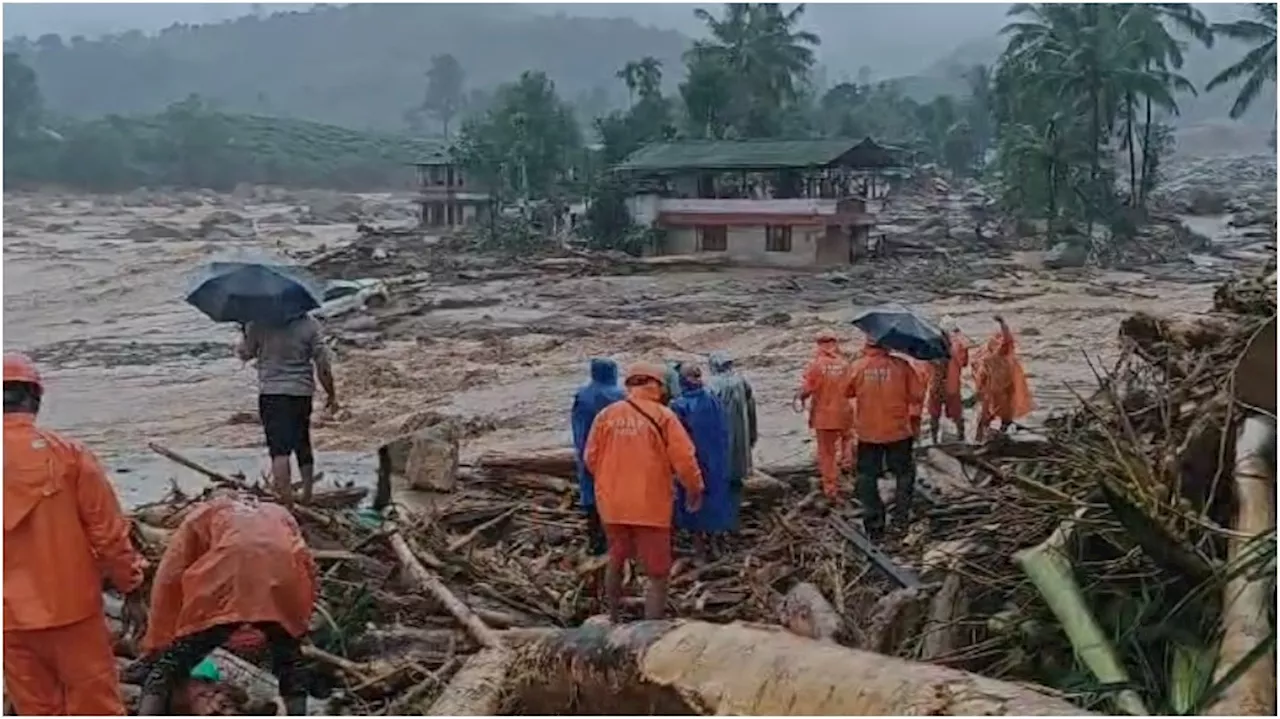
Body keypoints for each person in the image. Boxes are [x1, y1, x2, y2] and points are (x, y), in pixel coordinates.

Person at [3, 352, 148, 716]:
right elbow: (109, 534)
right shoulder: (70, 455)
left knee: (36, 709)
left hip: (9, 620)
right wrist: (131, 587)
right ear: (35, 399)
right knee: (96, 706)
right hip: (73, 611)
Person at [136, 491, 317, 716]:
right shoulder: (279, 514)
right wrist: (297, 624)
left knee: (165, 671)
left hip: (225, 586)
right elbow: (306, 566)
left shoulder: (201, 515)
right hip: (280, 584)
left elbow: (169, 579)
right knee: (291, 666)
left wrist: (156, 645)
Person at [585, 362, 704, 622]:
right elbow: (684, 459)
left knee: (616, 558)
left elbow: (590, 458)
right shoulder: (664, 416)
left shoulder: (606, 415)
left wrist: (610, 482)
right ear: (658, 386)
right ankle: (651, 632)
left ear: (629, 385)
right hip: (650, 504)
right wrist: (694, 489)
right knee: (658, 572)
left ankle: (613, 618)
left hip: (612, 504)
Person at [236, 313, 337, 508]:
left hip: (272, 393)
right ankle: (308, 494)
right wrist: (331, 393)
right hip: (302, 392)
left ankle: (287, 502)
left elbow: (245, 354)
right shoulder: (310, 324)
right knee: (302, 441)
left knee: (279, 450)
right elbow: (322, 363)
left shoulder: (258, 322)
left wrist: (245, 333)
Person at [846, 338, 926, 540]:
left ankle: (874, 523)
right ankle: (901, 519)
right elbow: (917, 395)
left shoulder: (858, 366)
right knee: (904, 473)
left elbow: (846, 391)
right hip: (898, 429)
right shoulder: (902, 365)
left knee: (867, 475)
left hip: (868, 431)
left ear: (867, 346)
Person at [671, 365, 732, 562]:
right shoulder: (713, 397)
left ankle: (699, 550)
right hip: (716, 458)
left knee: (692, 499)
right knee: (715, 498)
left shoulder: (678, 405)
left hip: (692, 459)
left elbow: (675, 438)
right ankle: (717, 544)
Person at [570, 358, 625, 556]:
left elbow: (579, 431)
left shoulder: (583, 396)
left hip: (589, 453)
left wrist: (583, 453)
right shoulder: (621, 396)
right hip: (618, 456)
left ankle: (596, 543)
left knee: (592, 497)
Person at [794, 330, 854, 499]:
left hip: (825, 416)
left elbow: (807, 389)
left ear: (819, 345)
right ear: (835, 343)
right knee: (848, 438)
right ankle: (847, 466)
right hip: (845, 412)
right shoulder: (845, 363)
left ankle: (831, 488)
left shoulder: (816, 365)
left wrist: (801, 395)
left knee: (826, 453)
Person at [705, 351, 758, 519]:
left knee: (720, 471)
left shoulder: (711, 385)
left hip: (720, 436)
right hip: (741, 433)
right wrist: (752, 434)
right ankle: (735, 507)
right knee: (737, 470)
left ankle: (722, 511)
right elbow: (751, 409)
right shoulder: (742, 381)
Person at [971, 315, 1033, 441]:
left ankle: (995, 438)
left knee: (1002, 417)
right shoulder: (990, 354)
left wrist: (1003, 324)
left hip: (1003, 389)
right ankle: (980, 439)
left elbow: (1007, 340)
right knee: (986, 417)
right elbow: (977, 369)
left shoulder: (1001, 354)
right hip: (993, 390)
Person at [929, 316, 970, 443]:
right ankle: (961, 438)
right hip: (951, 386)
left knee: (934, 415)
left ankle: (934, 440)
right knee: (957, 415)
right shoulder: (959, 346)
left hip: (936, 386)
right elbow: (964, 363)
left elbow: (926, 362)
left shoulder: (932, 345)